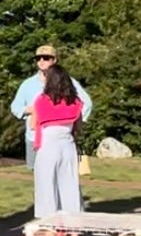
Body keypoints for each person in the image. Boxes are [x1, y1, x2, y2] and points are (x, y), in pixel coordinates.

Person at [10, 44, 92, 178]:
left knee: (63, 176)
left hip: (61, 137)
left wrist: (75, 124)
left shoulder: (68, 82)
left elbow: (86, 103)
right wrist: (30, 110)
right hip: (34, 137)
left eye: (46, 58)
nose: (41, 61)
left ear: (54, 60)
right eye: (38, 58)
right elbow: (15, 107)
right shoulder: (28, 84)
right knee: (39, 176)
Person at [31, 63, 85, 236]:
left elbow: (34, 124)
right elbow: (78, 126)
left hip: (48, 144)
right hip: (68, 144)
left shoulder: (41, 100)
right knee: (70, 187)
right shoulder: (75, 102)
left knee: (47, 188)